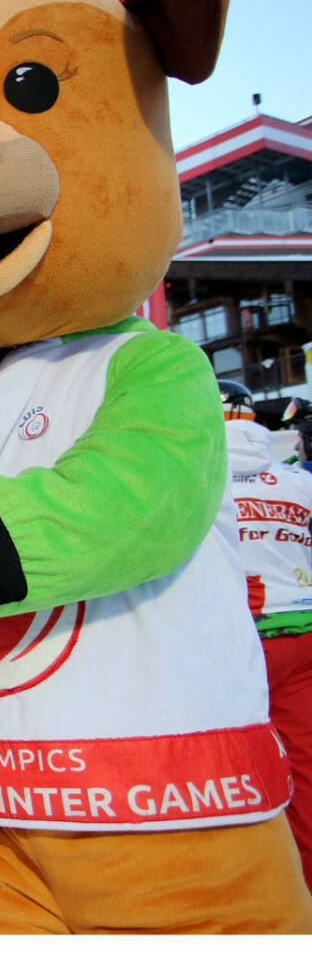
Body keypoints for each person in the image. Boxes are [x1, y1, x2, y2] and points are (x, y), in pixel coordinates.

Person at [223, 380, 312, 890]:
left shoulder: (199, 476)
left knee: (237, 766)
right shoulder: (297, 481)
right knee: (305, 762)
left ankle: (260, 888)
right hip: (302, 632)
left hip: (236, 638)